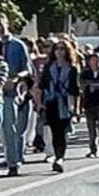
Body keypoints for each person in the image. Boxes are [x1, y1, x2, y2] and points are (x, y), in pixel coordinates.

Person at [37, 41, 82, 173]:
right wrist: (39, 103)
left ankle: (60, 158)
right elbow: (42, 85)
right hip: (51, 102)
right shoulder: (48, 67)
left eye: (62, 49)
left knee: (61, 132)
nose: (59, 51)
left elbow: (75, 89)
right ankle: (58, 156)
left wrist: (77, 108)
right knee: (54, 131)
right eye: (57, 49)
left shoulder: (72, 68)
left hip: (66, 102)